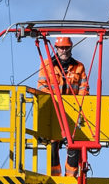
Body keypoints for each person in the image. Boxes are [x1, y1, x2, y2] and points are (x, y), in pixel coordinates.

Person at [38, 36, 89, 176]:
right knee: (53, 143)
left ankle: (70, 176)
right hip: (54, 111)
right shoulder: (47, 65)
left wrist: (78, 106)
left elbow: (84, 88)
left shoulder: (79, 66)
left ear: (71, 48)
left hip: (73, 112)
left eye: (66, 47)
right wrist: (55, 101)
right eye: (62, 48)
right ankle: (55, 175)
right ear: (56, 48)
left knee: (74, 143)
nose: (64, 50)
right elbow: (42, 87)